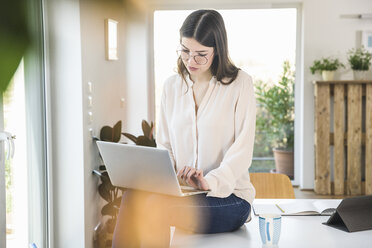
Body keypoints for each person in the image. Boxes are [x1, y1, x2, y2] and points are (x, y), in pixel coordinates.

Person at [112, 9, 256, 248]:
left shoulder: (240, 84)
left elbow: (242, 151)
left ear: (217, 50)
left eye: (201, 54)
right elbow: (165, 145)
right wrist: (164, 177)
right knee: (131, 197)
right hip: (183, 194)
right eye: (185, 51)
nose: (191, 61)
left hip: (228, 199)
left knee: (153, 207)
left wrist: (209, 182)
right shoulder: (171, 87)